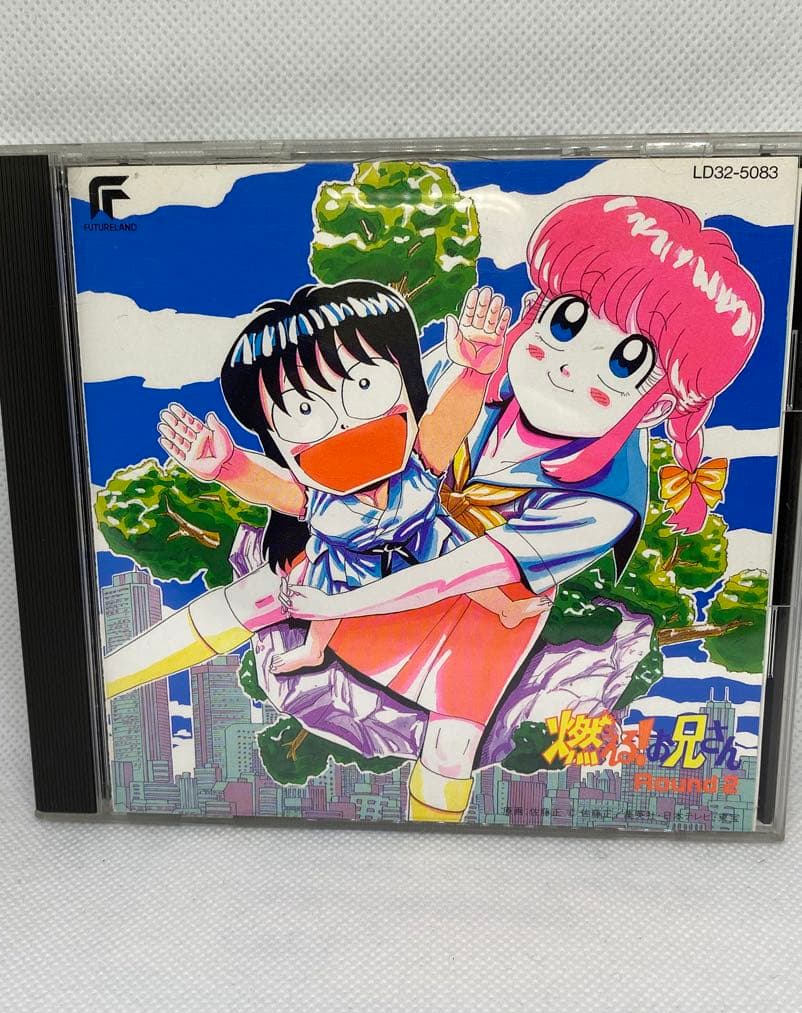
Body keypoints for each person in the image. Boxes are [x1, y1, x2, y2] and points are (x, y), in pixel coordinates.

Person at [280, 194, 764, 822]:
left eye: (625, 362)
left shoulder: (607, 500)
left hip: (483, 607)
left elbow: (457, 574)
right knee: (261, 599)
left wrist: (341, 605)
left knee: (451, 746)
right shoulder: (475, 367)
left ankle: (435, 857)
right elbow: (369, 450)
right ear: (538, 305)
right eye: (567, 321)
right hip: (384, 546)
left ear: (661, 405)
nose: (569, 365)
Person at [105, 280, 547, 697]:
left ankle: (504, 608)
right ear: (274, 439)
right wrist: (229, 466)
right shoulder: (318, 501)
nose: (342, 423)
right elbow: (272, 489)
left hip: (426, 542)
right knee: (324, 602)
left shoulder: (419, 463)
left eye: (364, 384)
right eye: (302, 409)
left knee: (460, 566)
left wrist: (473, 373)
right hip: (348, 565)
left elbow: (450, 421)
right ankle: (314, 649)